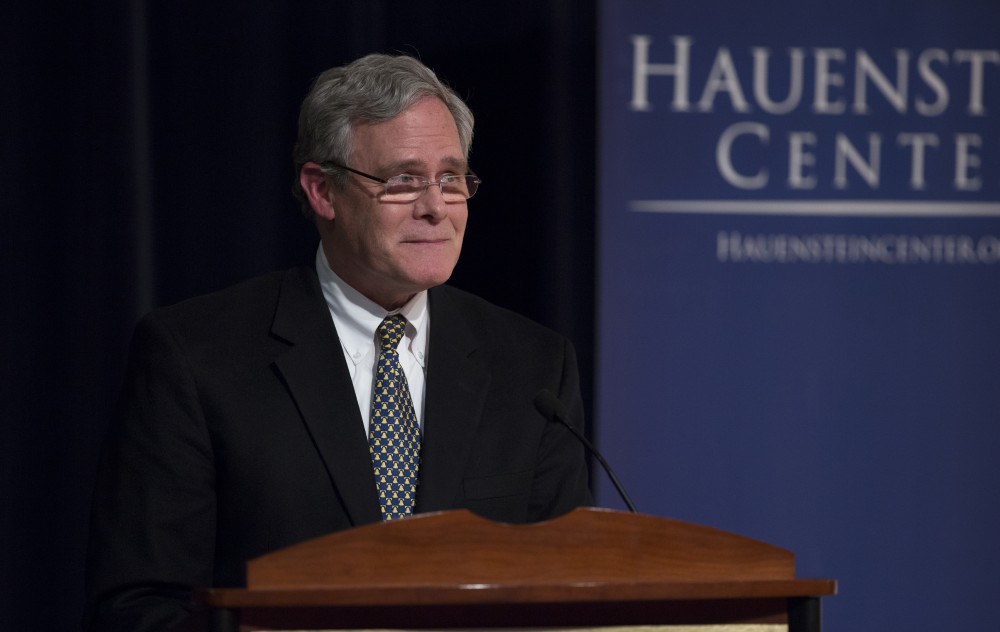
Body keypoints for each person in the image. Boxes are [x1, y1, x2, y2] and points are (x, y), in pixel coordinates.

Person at [84, 53, 593, 631]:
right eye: (403, 180)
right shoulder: (195, 356)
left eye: (451, 179)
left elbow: (567, 597)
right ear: (322, 190)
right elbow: (138, 608)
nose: (435, 208)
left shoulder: (532, 366)